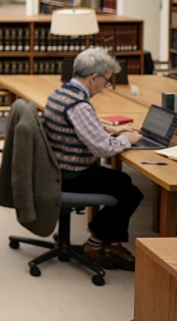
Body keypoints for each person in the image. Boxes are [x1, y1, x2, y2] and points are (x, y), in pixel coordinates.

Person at [43, 47, 143, 270]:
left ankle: (110, 242)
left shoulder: (62, 92)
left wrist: (106, 128)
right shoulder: (79, 105)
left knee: (123, 182)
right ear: (94, 78)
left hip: (58, 167)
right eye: (106, 81)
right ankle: (97, 243)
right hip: (71, 174)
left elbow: (78, 128)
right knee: (131, 193)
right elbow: (103, 149)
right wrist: (127, 139)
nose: (105, 86)